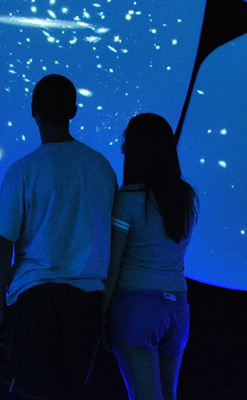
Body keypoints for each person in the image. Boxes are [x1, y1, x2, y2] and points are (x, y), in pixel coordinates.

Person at [0, 74, 118, 400]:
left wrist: (0, 304)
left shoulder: (22, 171)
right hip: (87, 298)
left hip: (34, 300)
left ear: (34, 110)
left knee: (33, 393)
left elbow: (2, 244)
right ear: (74, 110)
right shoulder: (101, 167)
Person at [101, 113, 197, 400]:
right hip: (178, 309)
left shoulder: (128, 199)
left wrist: (102, 315)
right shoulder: (185, 198)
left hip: (136, 307)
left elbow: (113, 267)